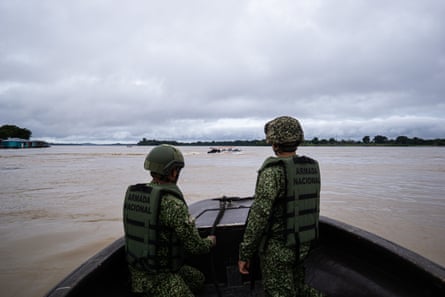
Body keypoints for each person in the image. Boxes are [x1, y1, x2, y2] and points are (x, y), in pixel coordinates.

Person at [238, 116, 325, 297]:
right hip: (303, 245)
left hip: (278, 251)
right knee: (297, 287)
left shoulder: (272, 172)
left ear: (274, 144)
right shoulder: (310, 167)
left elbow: (258, 217)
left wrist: (245, 254)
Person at [123, 144, 216, 297]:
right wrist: (210, 241)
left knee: (197, 279)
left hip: (138, 274)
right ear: (173, 172)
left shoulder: (139, 196)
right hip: (159, 278)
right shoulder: (173, 205)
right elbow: (195, 247)